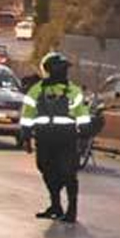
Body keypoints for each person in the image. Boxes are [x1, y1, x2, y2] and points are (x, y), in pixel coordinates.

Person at [20, 52, 91, 225]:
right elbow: (27, 115)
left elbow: (82, 115)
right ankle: (56, 206)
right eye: (60, 69)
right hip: (45, 140)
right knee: (47, 171)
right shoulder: (36, 90)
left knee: (68, 175)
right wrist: (26, 136)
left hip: (65, 140)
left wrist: (84, 134)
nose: (63, 72)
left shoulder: (73, 91)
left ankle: (71, 210)